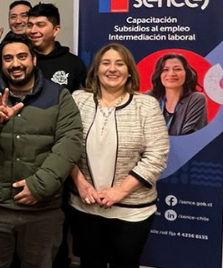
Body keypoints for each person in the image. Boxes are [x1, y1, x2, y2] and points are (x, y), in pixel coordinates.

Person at [0, 33, 82, 268]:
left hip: (42, 211)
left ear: (34, 59)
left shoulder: (59, 96)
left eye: (22, 56)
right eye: (8, 58)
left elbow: (69, 143)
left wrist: (38, 186)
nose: (15, 63)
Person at [69, 43, 168, 268]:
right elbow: (64, 145)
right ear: (95, 70)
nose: (112, 69)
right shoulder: (78, 100)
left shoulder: (146, 105)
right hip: (84, 205)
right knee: (90, 262)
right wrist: (80, 183)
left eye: (119, 64)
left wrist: (120, 191)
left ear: (130, 70)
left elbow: (156, 155)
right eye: (106, 63)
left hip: (132, 210)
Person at [148, 53, 208, 136]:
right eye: (165, 70)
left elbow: (189, 137)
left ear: (186, 73)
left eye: (177, 69)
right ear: (159, 75)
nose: (171, 74)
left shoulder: (196, 99)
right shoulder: (150, 97)